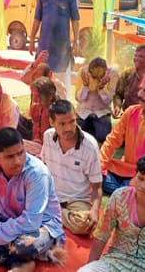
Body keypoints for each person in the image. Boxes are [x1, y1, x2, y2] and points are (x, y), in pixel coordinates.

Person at [0, 127, 66, 272]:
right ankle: (22, 263)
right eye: (10, 157)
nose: (17, 161)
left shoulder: (36, 173)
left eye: (20, 153)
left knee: (24, 246)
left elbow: (31, 222)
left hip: (41, 225)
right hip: (11, 219)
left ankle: (26, 253)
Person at [78, 152, 145, 272]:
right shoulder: (119, 197)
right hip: (116, 261)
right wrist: (89, 266)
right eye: (140, 178)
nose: (143, 186)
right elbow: (101, 236)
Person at [41, 100, 102, 235]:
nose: (68, 128)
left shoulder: (90, 146)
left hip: (77, 201)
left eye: (72, 121)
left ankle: (50, 212)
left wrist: (94, 211)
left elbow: (96, 187)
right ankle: (52, 210)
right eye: (62, 124)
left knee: (84, 225)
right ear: (52, 122)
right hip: (53, 195)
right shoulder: (48, 136)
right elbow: (44, 168)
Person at [29, 0, 80, 94]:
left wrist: (76, 42)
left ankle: (63, 108)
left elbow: (75, 19)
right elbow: (37, 19)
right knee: (42, 78)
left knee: (62, 83)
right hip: (45, 45)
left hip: (62, 47)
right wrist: (32, 39)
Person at [75, 57, 119, 144]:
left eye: (100, 76)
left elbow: (108, 101)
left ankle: (93, 131)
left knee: (103, 136)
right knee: (77, 136)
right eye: (94, 76)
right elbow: (79, 99)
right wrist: (85, 86)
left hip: (102, 112)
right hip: (84, 111)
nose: (97, 79)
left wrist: (102, 88)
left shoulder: (112, 74)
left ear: (105, 71)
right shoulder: (83, 72)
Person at [112, 44, 145, 118]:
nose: (137, 58)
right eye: (136, 55)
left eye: (141, 56)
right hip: (128, 118)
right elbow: (118, 94)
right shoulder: (127, 74)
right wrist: (117, 107)